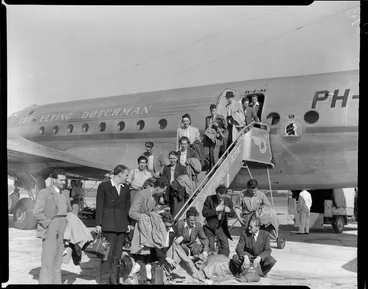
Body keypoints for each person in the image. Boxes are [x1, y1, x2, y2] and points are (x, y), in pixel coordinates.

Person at [95, 165, 132, 284]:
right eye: (126, 175)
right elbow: (99, 205)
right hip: (108, 224)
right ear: (119, 174)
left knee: (117, 256)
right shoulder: (104, 186)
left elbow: (127, 207)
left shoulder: (126, 188)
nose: (127, 178)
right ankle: (104, 281)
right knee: (106, 255)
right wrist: (98, 224)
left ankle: (114, 280)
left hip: (121, 225)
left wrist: (128, 223)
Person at [33, 169, 72, 284]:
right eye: (61, 180)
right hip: (51, 227)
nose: (63, 182)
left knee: (58, 261)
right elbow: (37, 212)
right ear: (54, 180)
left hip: (63, 227)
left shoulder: (65, 193)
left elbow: (68, 210)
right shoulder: (44, 192)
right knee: (48, 260)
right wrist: (48, 224)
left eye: (65, 180)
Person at [129, 177, 169, 283]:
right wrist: (146, 217)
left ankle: (145, 277)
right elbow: (132, 213)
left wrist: (161, 210)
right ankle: (136, 276)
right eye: (164, 190)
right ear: (158, 188)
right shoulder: (141, 194)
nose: (164, 192)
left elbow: (152, 210)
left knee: (148, 254)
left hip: (148, 229)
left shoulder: (155, 197)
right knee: (140, 255)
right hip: (139, 228)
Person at [202, 185, 236, 257]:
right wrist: (215, 210)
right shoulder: (209, 199)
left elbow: (233, 214)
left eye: (222, 197)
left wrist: (229, 211)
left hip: (221, 227)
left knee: (225, 247)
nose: (220, 198)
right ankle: (210, 264)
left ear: (225, 194)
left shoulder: (228, 200)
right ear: (217, 193)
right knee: (211, 247)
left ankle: (223, 262)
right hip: (210, 227)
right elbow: (204, 213)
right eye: (219, 196)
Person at [203, 104, 227, 171]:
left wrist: (218, 129)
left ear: (216, 110)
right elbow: (206, 128)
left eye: (213, 111)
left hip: (217, 139)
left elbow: (225, 128)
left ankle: (216, 171)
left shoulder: (220, 117)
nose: (212, 112)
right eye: (211, 111)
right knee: (210, 156)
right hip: (209, 139)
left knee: (214, 156)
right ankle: (211, 170)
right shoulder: (207, 118)